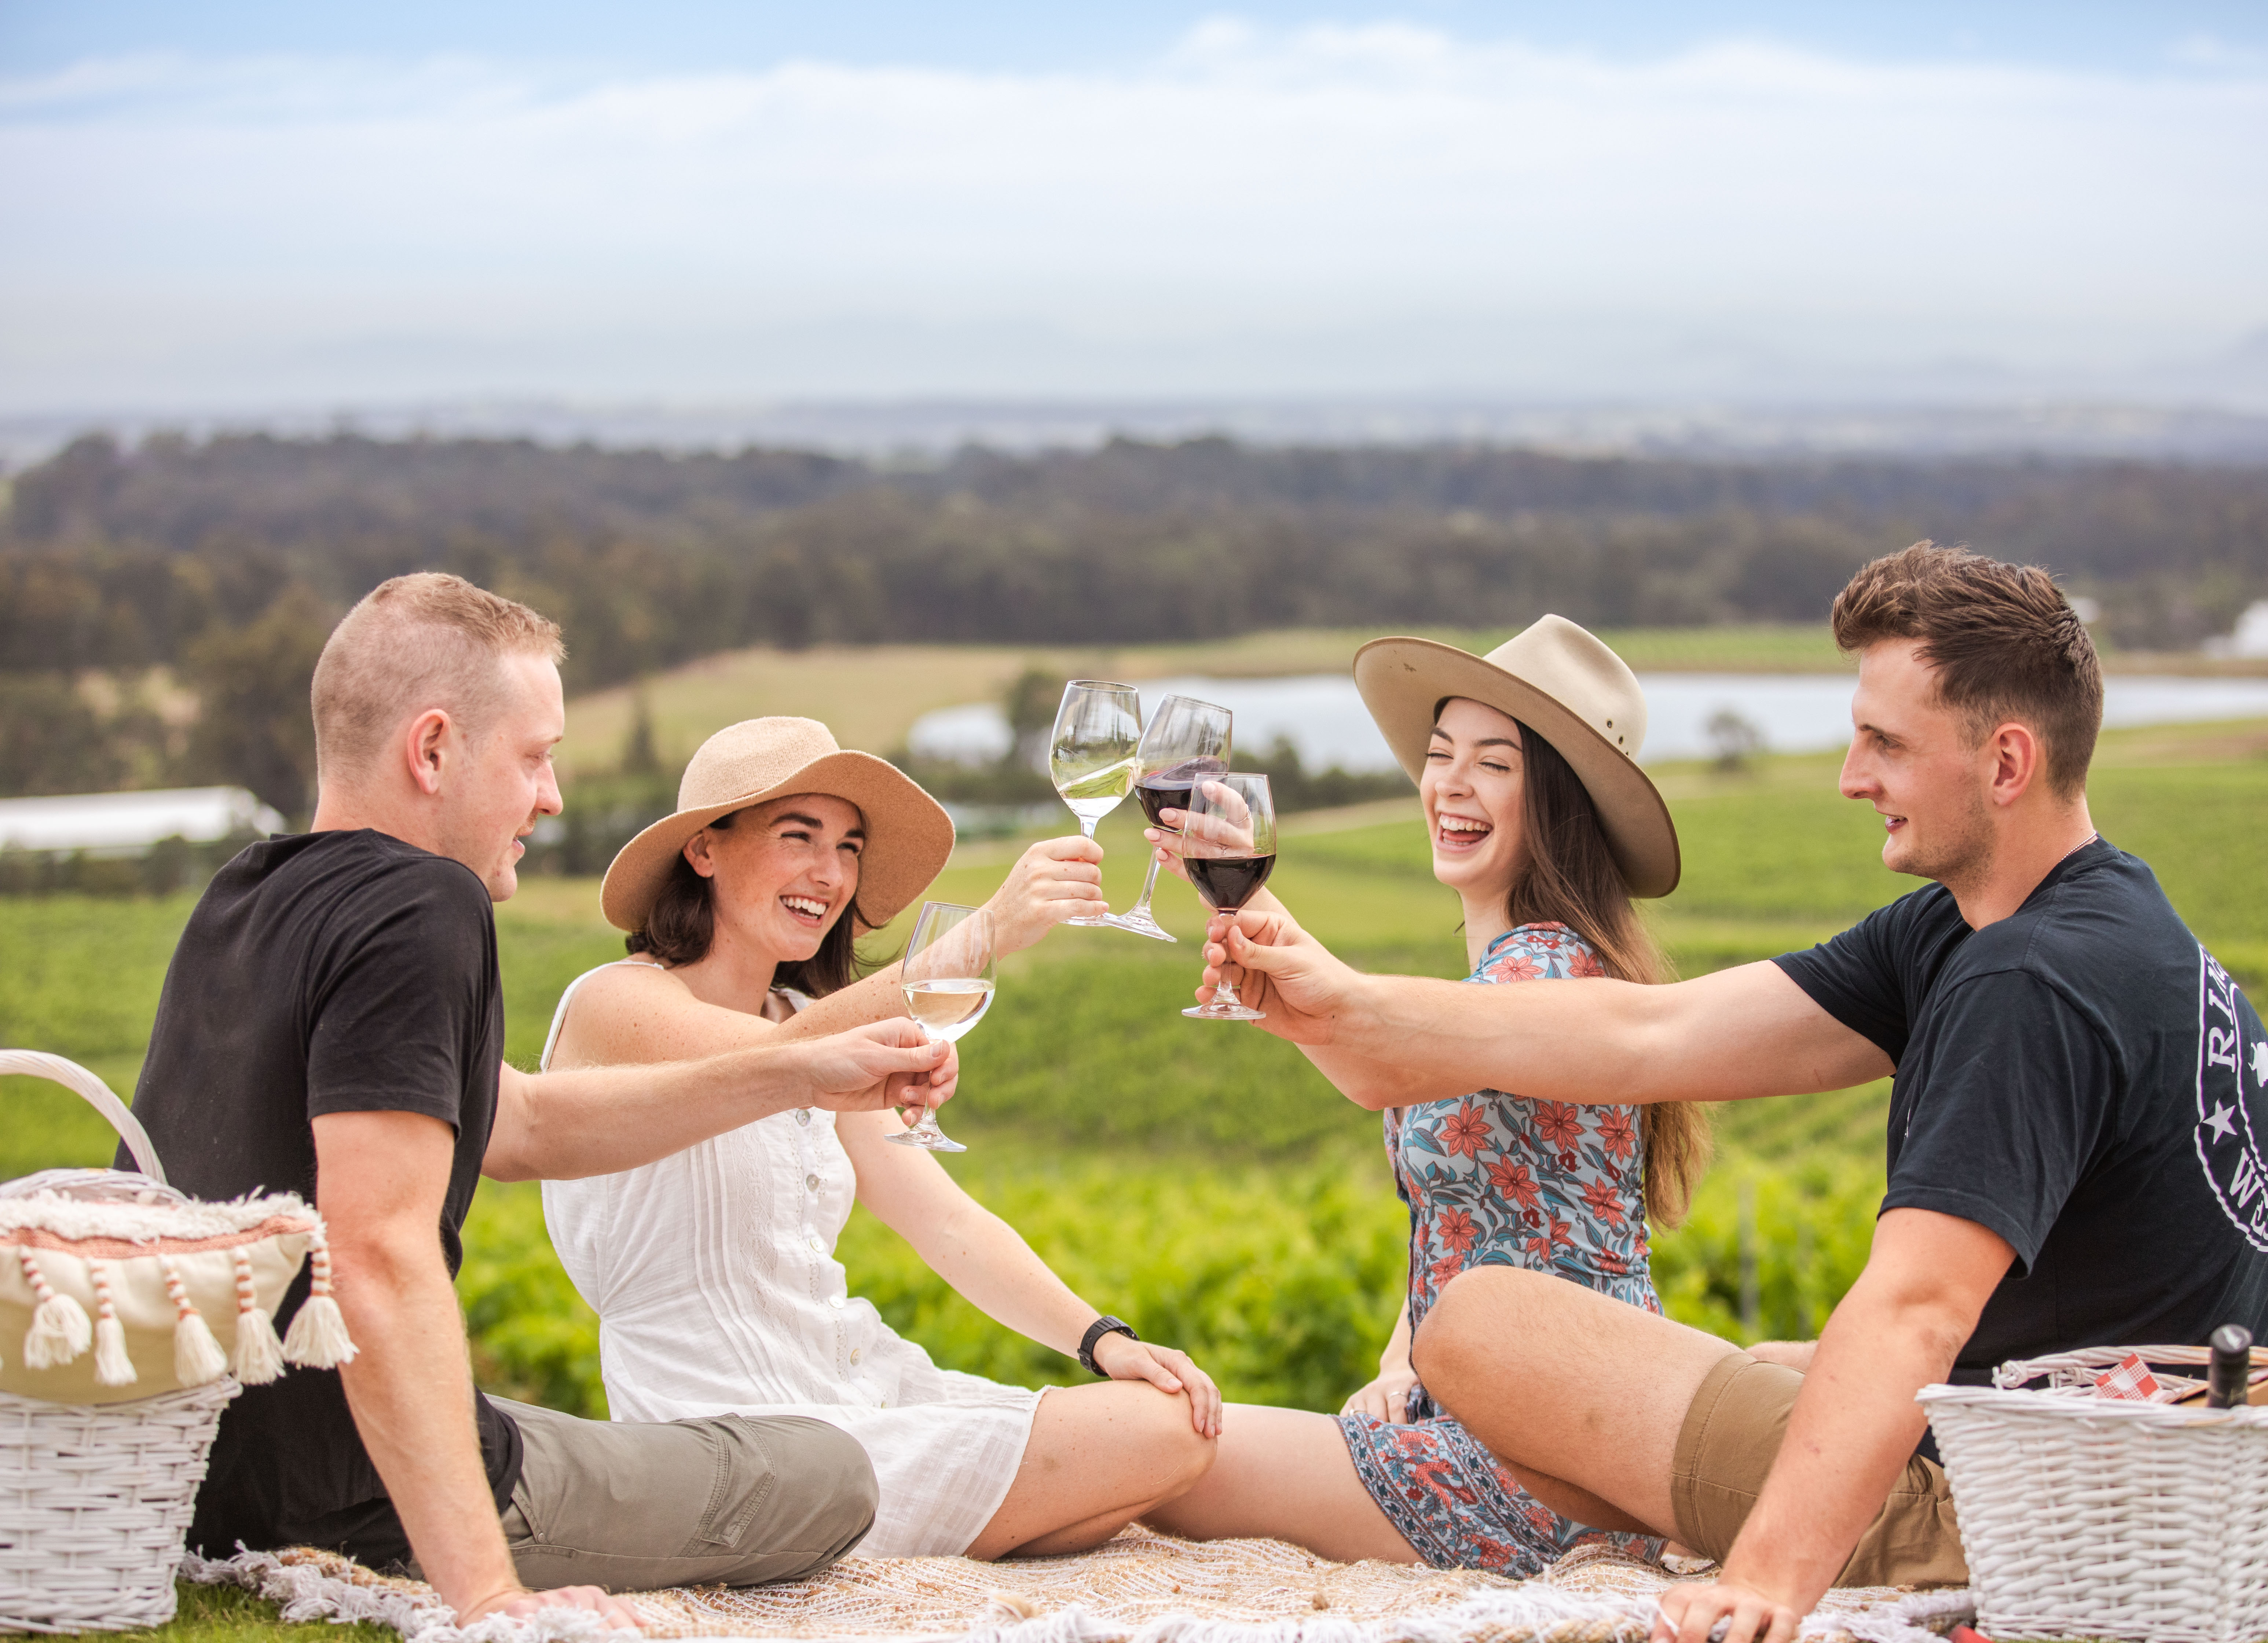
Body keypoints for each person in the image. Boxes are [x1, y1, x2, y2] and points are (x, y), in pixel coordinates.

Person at [1203, 544, 2268, 1643]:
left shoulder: (2029, 980)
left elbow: (1919, 1308)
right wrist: (1341, 1004)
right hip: (2161, 1467)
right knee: (1776, 1366)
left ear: (2006, 762)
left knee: (1484, 1323)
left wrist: (1766, 1582)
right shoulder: (2039, 922)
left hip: (2042, 1516)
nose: (1851, 775)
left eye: (1886, 743)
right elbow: (1652, 1033)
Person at [129, 574, 960, 1624]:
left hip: (197, 1462)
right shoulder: (421, 903)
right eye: (534, 757)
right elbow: (377, 1253)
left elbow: (515, 1124)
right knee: (825, 1471)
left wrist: (798, 1066)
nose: (553, 796)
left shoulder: (250, 890)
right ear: (432, 751)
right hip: (343, 1495)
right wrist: (486, 1595)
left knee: (643, 1442)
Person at [538, 715, 1219, 1560]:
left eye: (849, 847)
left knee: (1174, 1426)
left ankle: (910, 1538)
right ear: (705, 851)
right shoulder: (615, 1003)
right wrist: (981, 937)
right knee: (1153, 1444)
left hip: (857, 1386)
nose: (830, 874)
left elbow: (945, 1221)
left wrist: (1104, 1338)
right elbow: (775, 1064)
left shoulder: (798, 1020)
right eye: (799, 836)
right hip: (724, 1434)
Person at [1132, 616, 1711, 1574]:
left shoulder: (1552, 970)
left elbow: (1369, 1061)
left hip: (1550, 1451)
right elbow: (1449, 1198)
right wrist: (1401, 1363)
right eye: (1440, 755)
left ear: (1558, 802)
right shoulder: (1496, 980)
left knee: (1151, 1454)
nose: (1449, 782)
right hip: (1485, 1418)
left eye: (1494, 763)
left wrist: (1238, 890)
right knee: (1152, 1449)